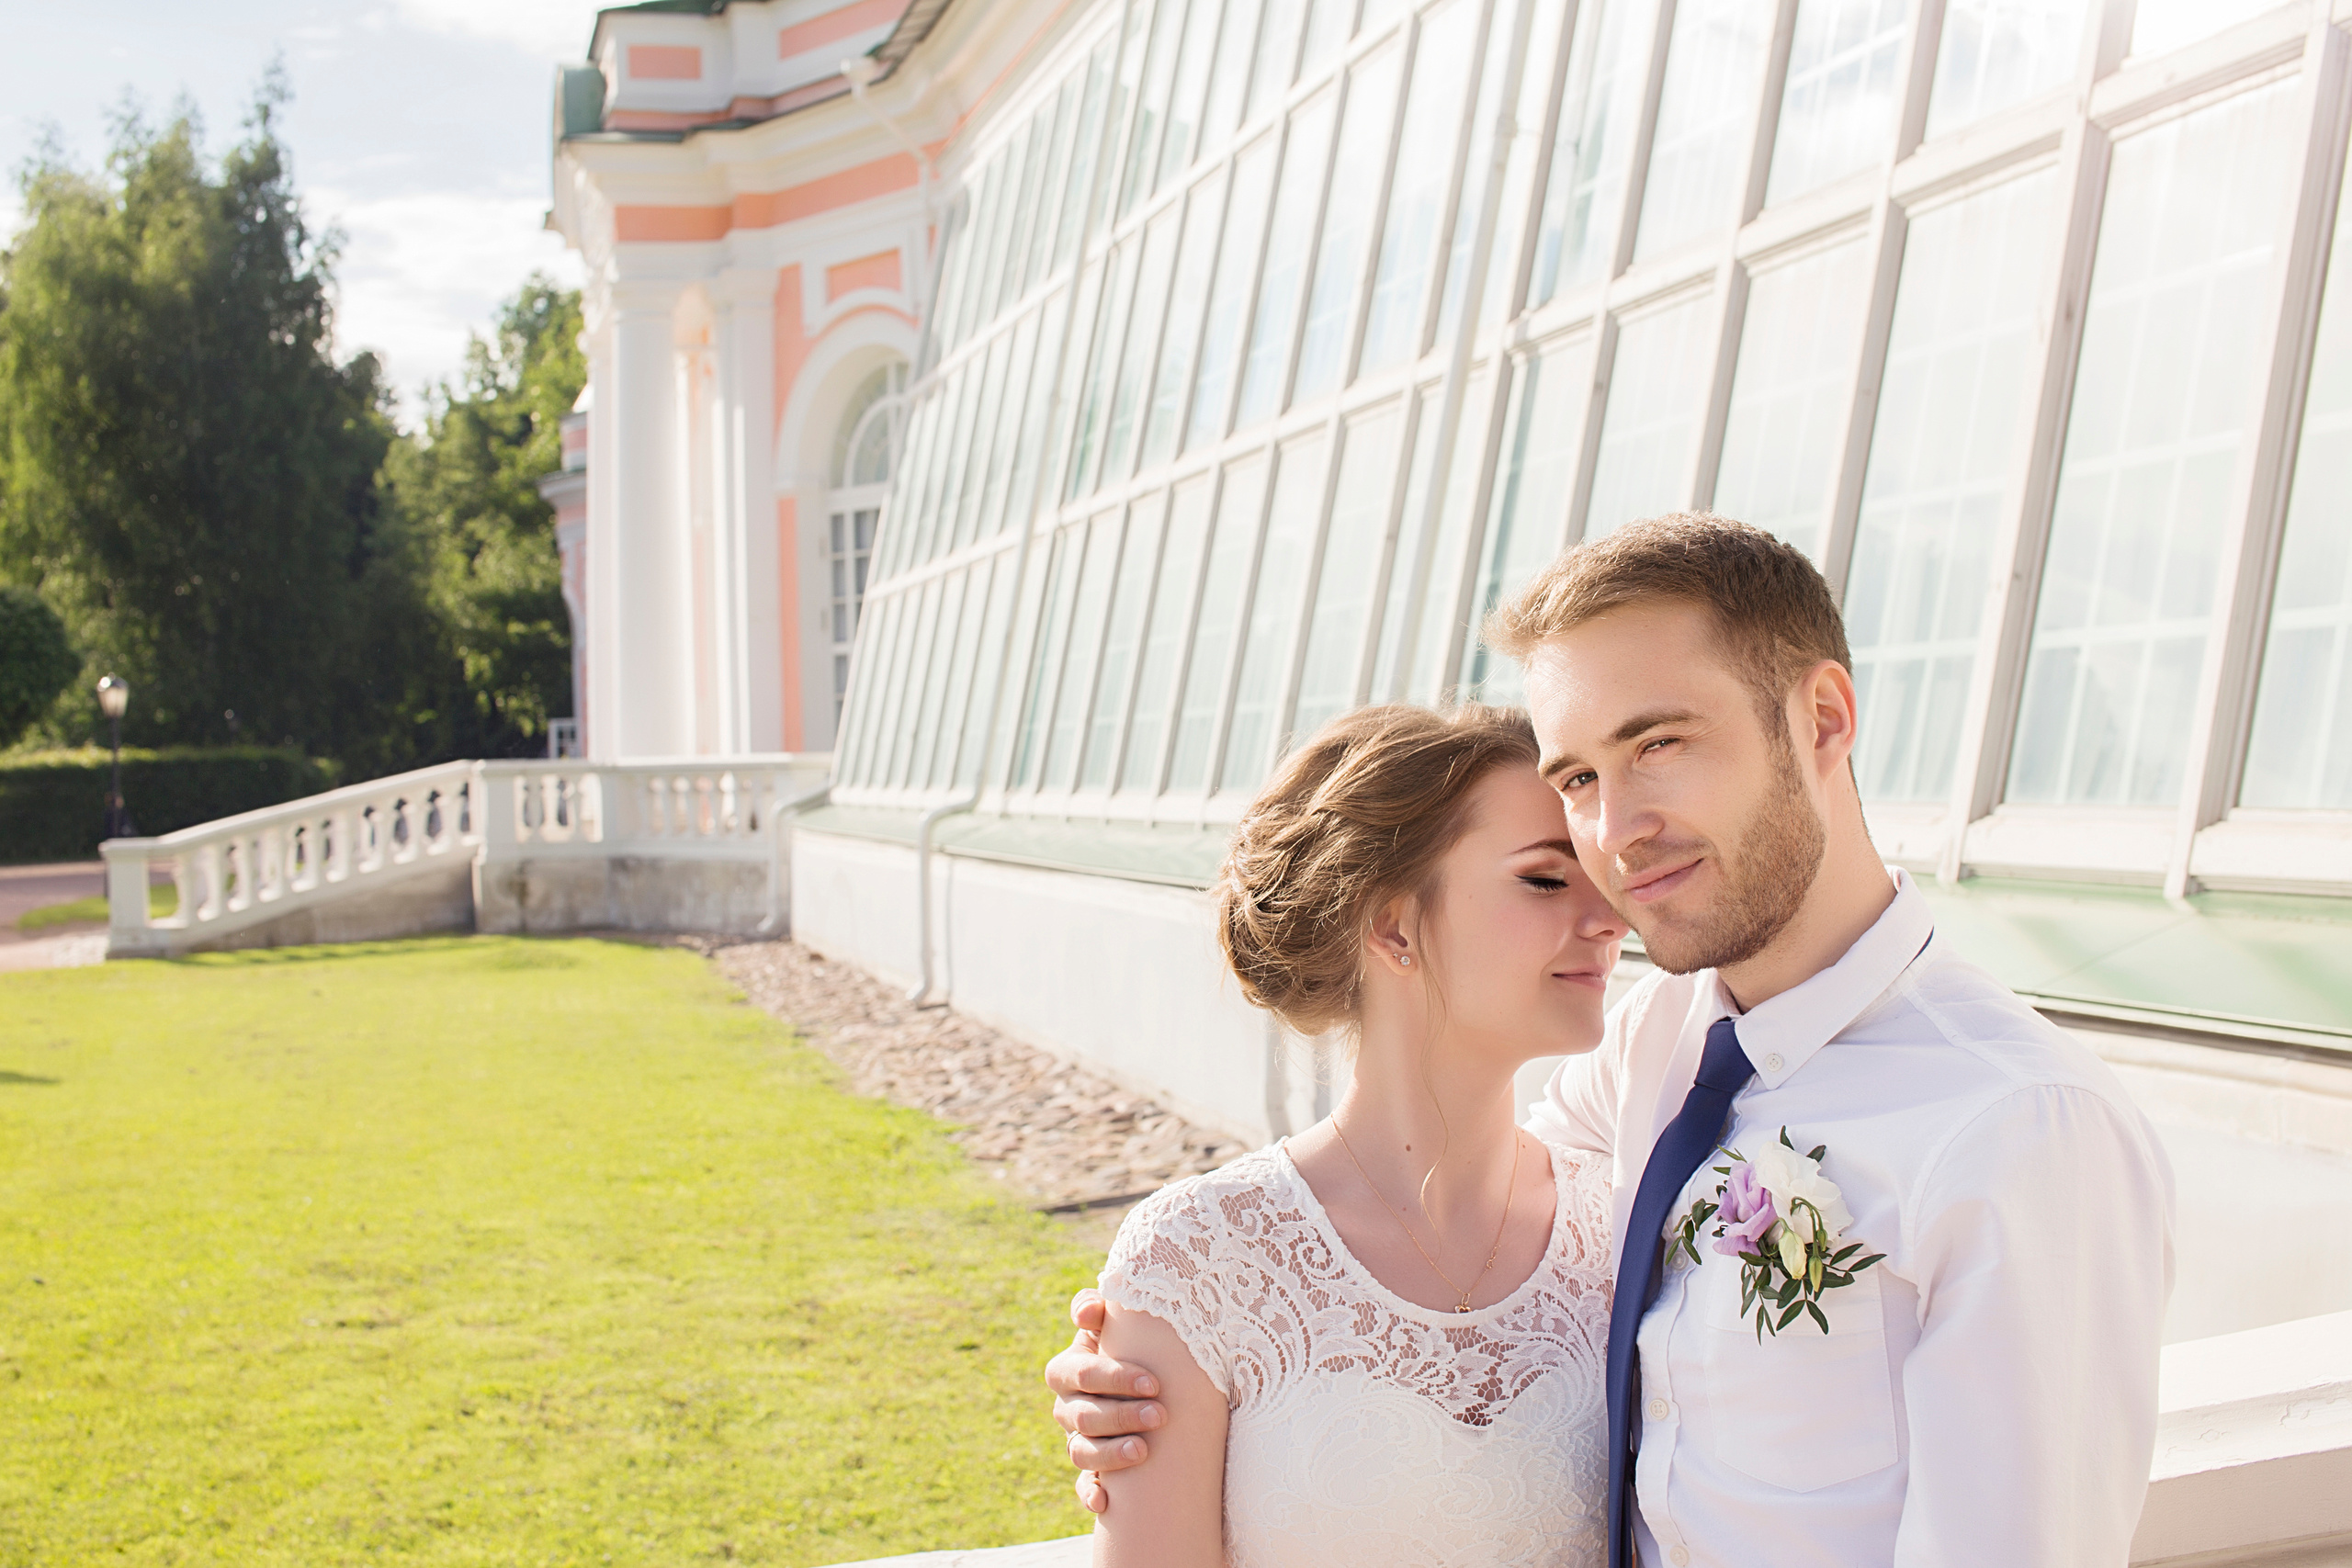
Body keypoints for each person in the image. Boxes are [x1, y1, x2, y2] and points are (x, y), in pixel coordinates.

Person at [1049, 514, 2176, 1567]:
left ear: (1823, 720)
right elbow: (1440, 1214)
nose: (1612, 836)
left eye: (1661, 744)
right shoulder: (1655, 1048)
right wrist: (1158, 1360)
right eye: (1578, 777)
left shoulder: (2016, 1125)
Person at [1082, 703, 1629, 1566]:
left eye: (1603, 876)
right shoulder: (1199, 1258)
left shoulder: (1627, 1226)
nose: (1611, 918)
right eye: (1547, 879)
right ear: (1393, 925)